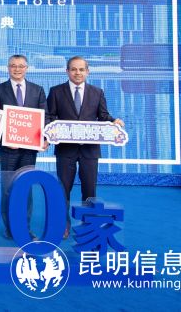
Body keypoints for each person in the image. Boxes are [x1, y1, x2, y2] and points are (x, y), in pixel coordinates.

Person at [46, 56, 125, 239]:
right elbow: (49, 116)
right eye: (74, 69)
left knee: (89, 190)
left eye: (81, 69)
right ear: (67, 71)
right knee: (62, 190)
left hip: (90, 150)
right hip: (65, 150)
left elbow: (103, 116)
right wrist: (50, 133)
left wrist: (114, 121)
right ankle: (63, 224)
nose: (78, 73)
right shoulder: (56, 91)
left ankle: (88, 225)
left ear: (87, 72)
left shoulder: (97, 92)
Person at [0, 54, 47, 239]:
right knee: (8, 189)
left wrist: (44, 139)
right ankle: (10, 228)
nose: (17, 69)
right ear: (8, 68)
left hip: (29, 150)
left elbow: (44, 117)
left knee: (26, 188)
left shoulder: (38, 90)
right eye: (13, 66)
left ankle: (24, 228)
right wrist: (7, 138)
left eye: (21, 66)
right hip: (8, 149)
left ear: (27, 68)